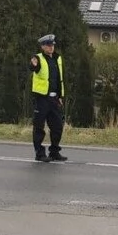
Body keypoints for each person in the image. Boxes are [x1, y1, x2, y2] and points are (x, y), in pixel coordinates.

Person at [29, 33, 67, 162]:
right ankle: (39, 153)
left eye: (52, 45)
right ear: (43, 46)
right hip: (42, 98)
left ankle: (54, 152)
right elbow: (32, 67)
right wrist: (33, 64)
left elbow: (59, 79)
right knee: (39, 127)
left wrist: (60, 96)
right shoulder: (38, 58)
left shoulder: (57, 58)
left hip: (54, 99)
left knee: (57, 127)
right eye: (48, 45)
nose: (51, 47)